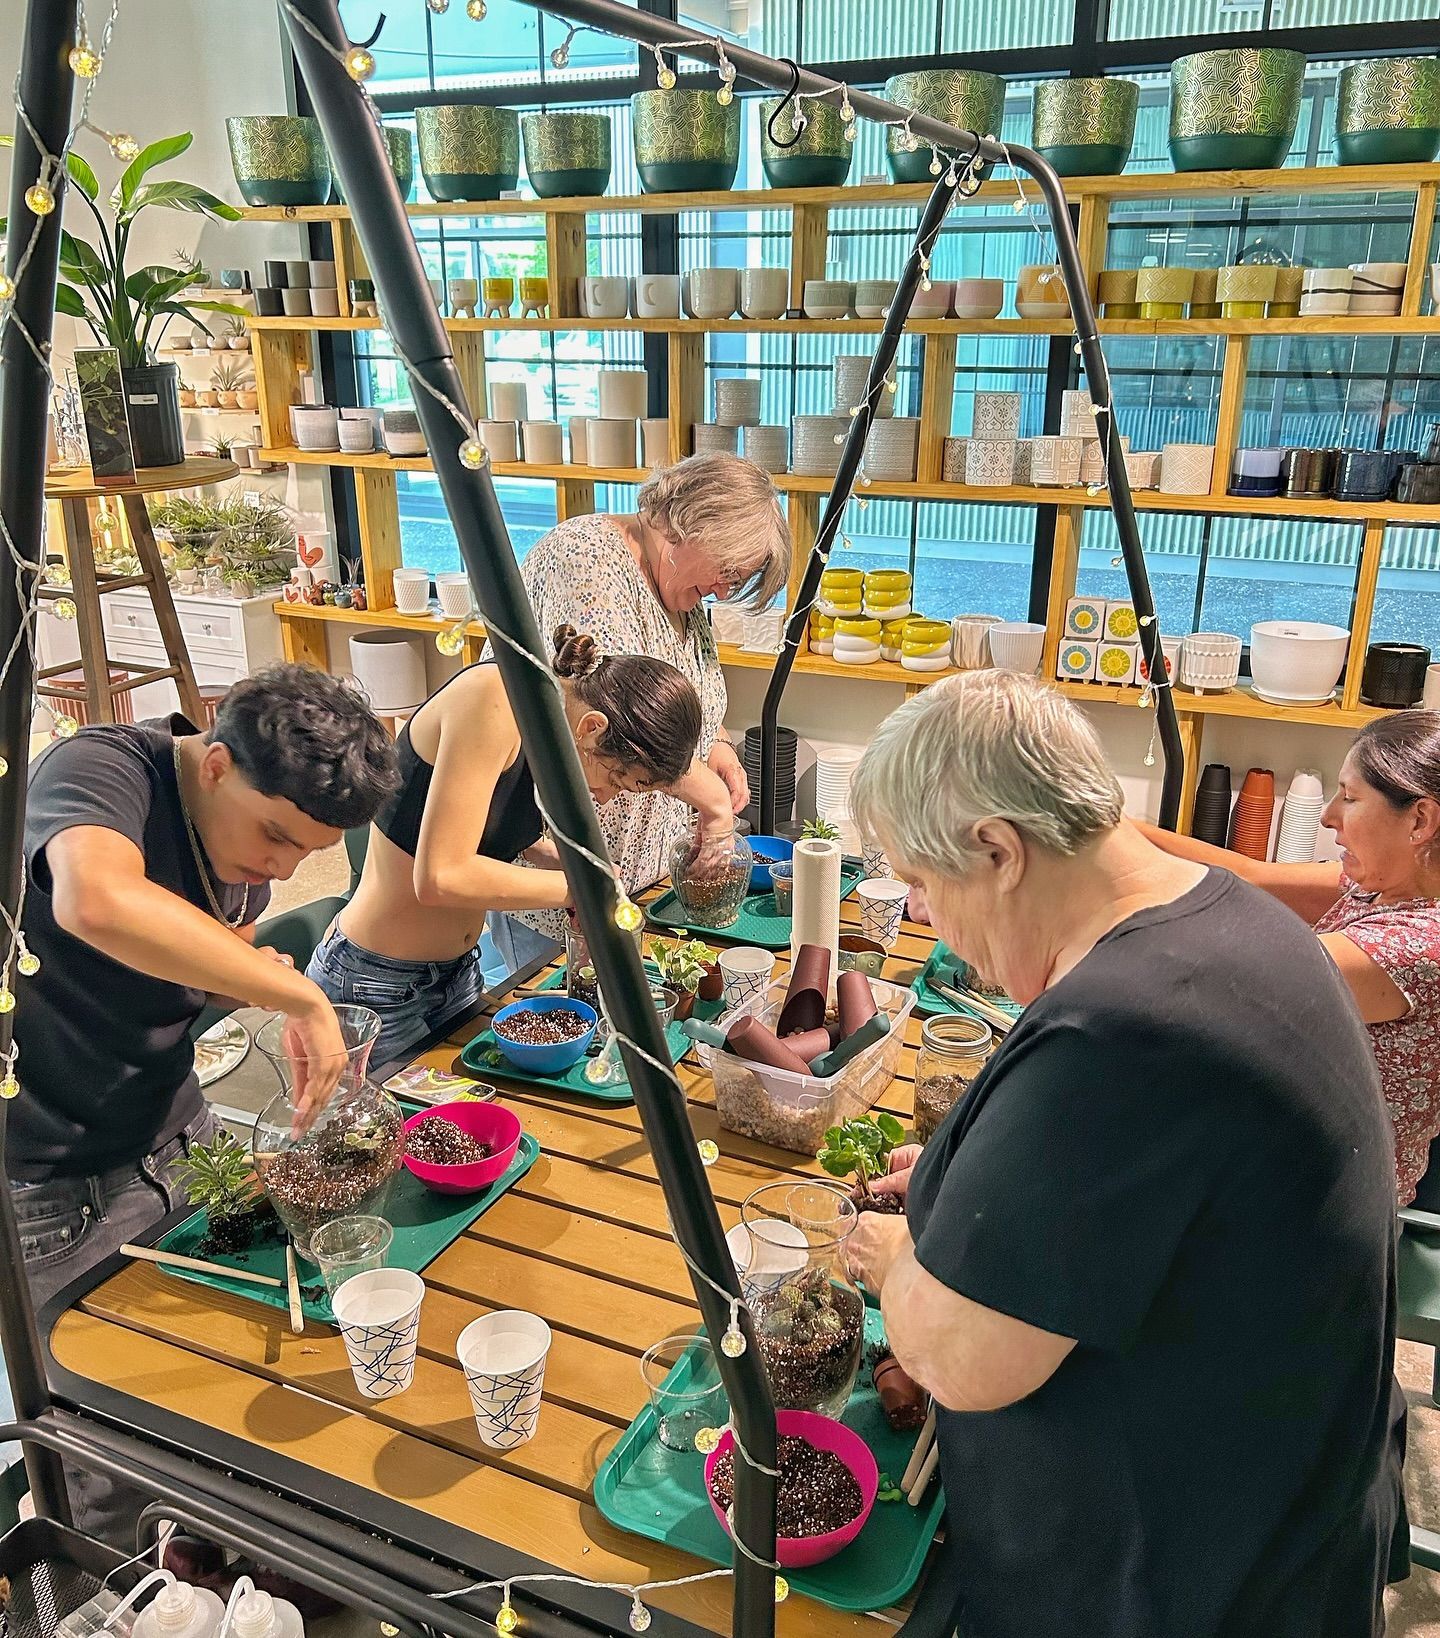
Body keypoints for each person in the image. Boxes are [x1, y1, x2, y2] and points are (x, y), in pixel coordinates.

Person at [843, 671, 1405, 1638]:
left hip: (1188, 1578)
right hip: (1300, 1504)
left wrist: (901, 1264)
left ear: (997, 851)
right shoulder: (1227, 916)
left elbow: (966, 1361)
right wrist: (959, 1180)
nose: (926, 915)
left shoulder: (1127, 1031)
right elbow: (1130, 1185)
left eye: (924, 882)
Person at [7, 665, 397, 1541]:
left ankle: (202, 1564)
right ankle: (116, 1590)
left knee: (206, 1392)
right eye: (274, 836)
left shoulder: (236, 834)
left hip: (179, 1135)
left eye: (305, 854)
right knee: (98, 1447)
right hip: (52, 1180)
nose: (279, 866)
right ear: (217, 763)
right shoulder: (102, 769)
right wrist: (297, 996)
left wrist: (254, 978)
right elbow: (95, 901)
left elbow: (194, 948)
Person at [307, 626, 702, 1065]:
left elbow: (496, 830)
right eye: (617, 779)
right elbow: (441, 876)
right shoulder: (492, 700)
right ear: (593, 728)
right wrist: (581, 891)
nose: (608, 797)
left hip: (458, 975)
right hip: (375, 985)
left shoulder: (551, 732)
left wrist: (577, 866)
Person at [487, 452, 790, 972]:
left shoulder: (680, 591)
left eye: (737, 583)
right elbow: (621, 722)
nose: (724, 591)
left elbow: (683, 691)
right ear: (685, 526)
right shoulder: (587, 563)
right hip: (562, 876)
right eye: (729, 571)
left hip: (641, 879)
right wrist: (714, 803)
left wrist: (714, 743)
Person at [1138, 710, 1440, 1204]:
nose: (1328, 816)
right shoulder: (1386, 885)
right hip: (1285, 1157)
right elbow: (1245, 878)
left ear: (1420, 821)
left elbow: (1228, 972)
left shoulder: (1416, 946)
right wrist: (1102, 820)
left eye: (1350, 797)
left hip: (1325, 1204)